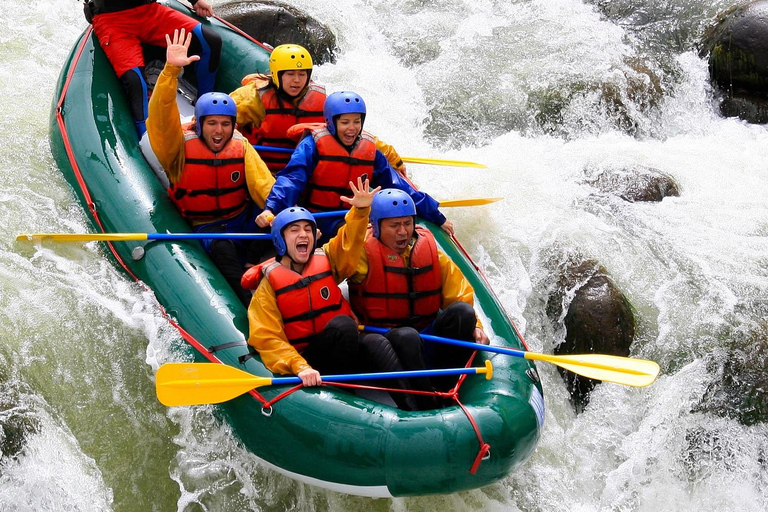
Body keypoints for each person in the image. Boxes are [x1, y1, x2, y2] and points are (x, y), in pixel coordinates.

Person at [240, 178, 423, 410]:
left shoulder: (326, 259)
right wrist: (300, 366)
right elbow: (267, 339)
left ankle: (417, 408)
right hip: (310, 359)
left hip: (343, 348)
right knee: (344, 326)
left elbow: (348, 243)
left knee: (376, 342)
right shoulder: (268, 288)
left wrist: (360, 211)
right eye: (294, 230)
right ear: (280, 241)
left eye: (307, 229)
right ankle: (345, 400)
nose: (303, 234)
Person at [147, 28, 275, 306]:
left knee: (279, 233)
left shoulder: (239, 146)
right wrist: (170, 72)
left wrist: (279, 215)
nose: (219, 131)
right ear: (199, 123)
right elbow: (159, 116)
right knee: (224, 251)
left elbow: (264, 185)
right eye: (212, 124)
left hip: (242, 219)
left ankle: (275, 284)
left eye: (226, 124)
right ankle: (246, 304)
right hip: (209, 227)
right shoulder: (177, 147)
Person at [254, 91, 454, 241]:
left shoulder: (369, 150)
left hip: (351, 217)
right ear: (331, 123)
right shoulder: (312, 145)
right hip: (314, 217)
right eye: (345, 123)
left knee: (367, 240)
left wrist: (436, 215)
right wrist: (271, 207)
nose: (352, 128)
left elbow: (398, 187)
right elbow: (291, 179)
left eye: (357, 122)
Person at [347, 188, 490, 393]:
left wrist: (476, 326)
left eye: (407, 223)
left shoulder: (430, 252)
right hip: (384, 343)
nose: (403, 232)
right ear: (377, 227)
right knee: (407, 336)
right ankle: (426, 399)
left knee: (463, 313)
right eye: (394, 225)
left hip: (426, 337)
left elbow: (459, 293)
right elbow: (330, 274)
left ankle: (444, 387)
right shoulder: (360, 253)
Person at [230, 45, 408, 176]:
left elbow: (350, 129)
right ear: (277, 74)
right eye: (290, 74)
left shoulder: (319, 101)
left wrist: (392, 157)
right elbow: (217, 120)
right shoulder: (252, 98)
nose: (297, 81)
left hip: (304, 168)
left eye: (302, 74)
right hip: (262, 168)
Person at [85, 0, 222, 136]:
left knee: (210, 41)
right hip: (112, 20)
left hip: (149, 10)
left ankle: (205, 108)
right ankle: (146, 140)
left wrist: (195, 1)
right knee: (135, 82)